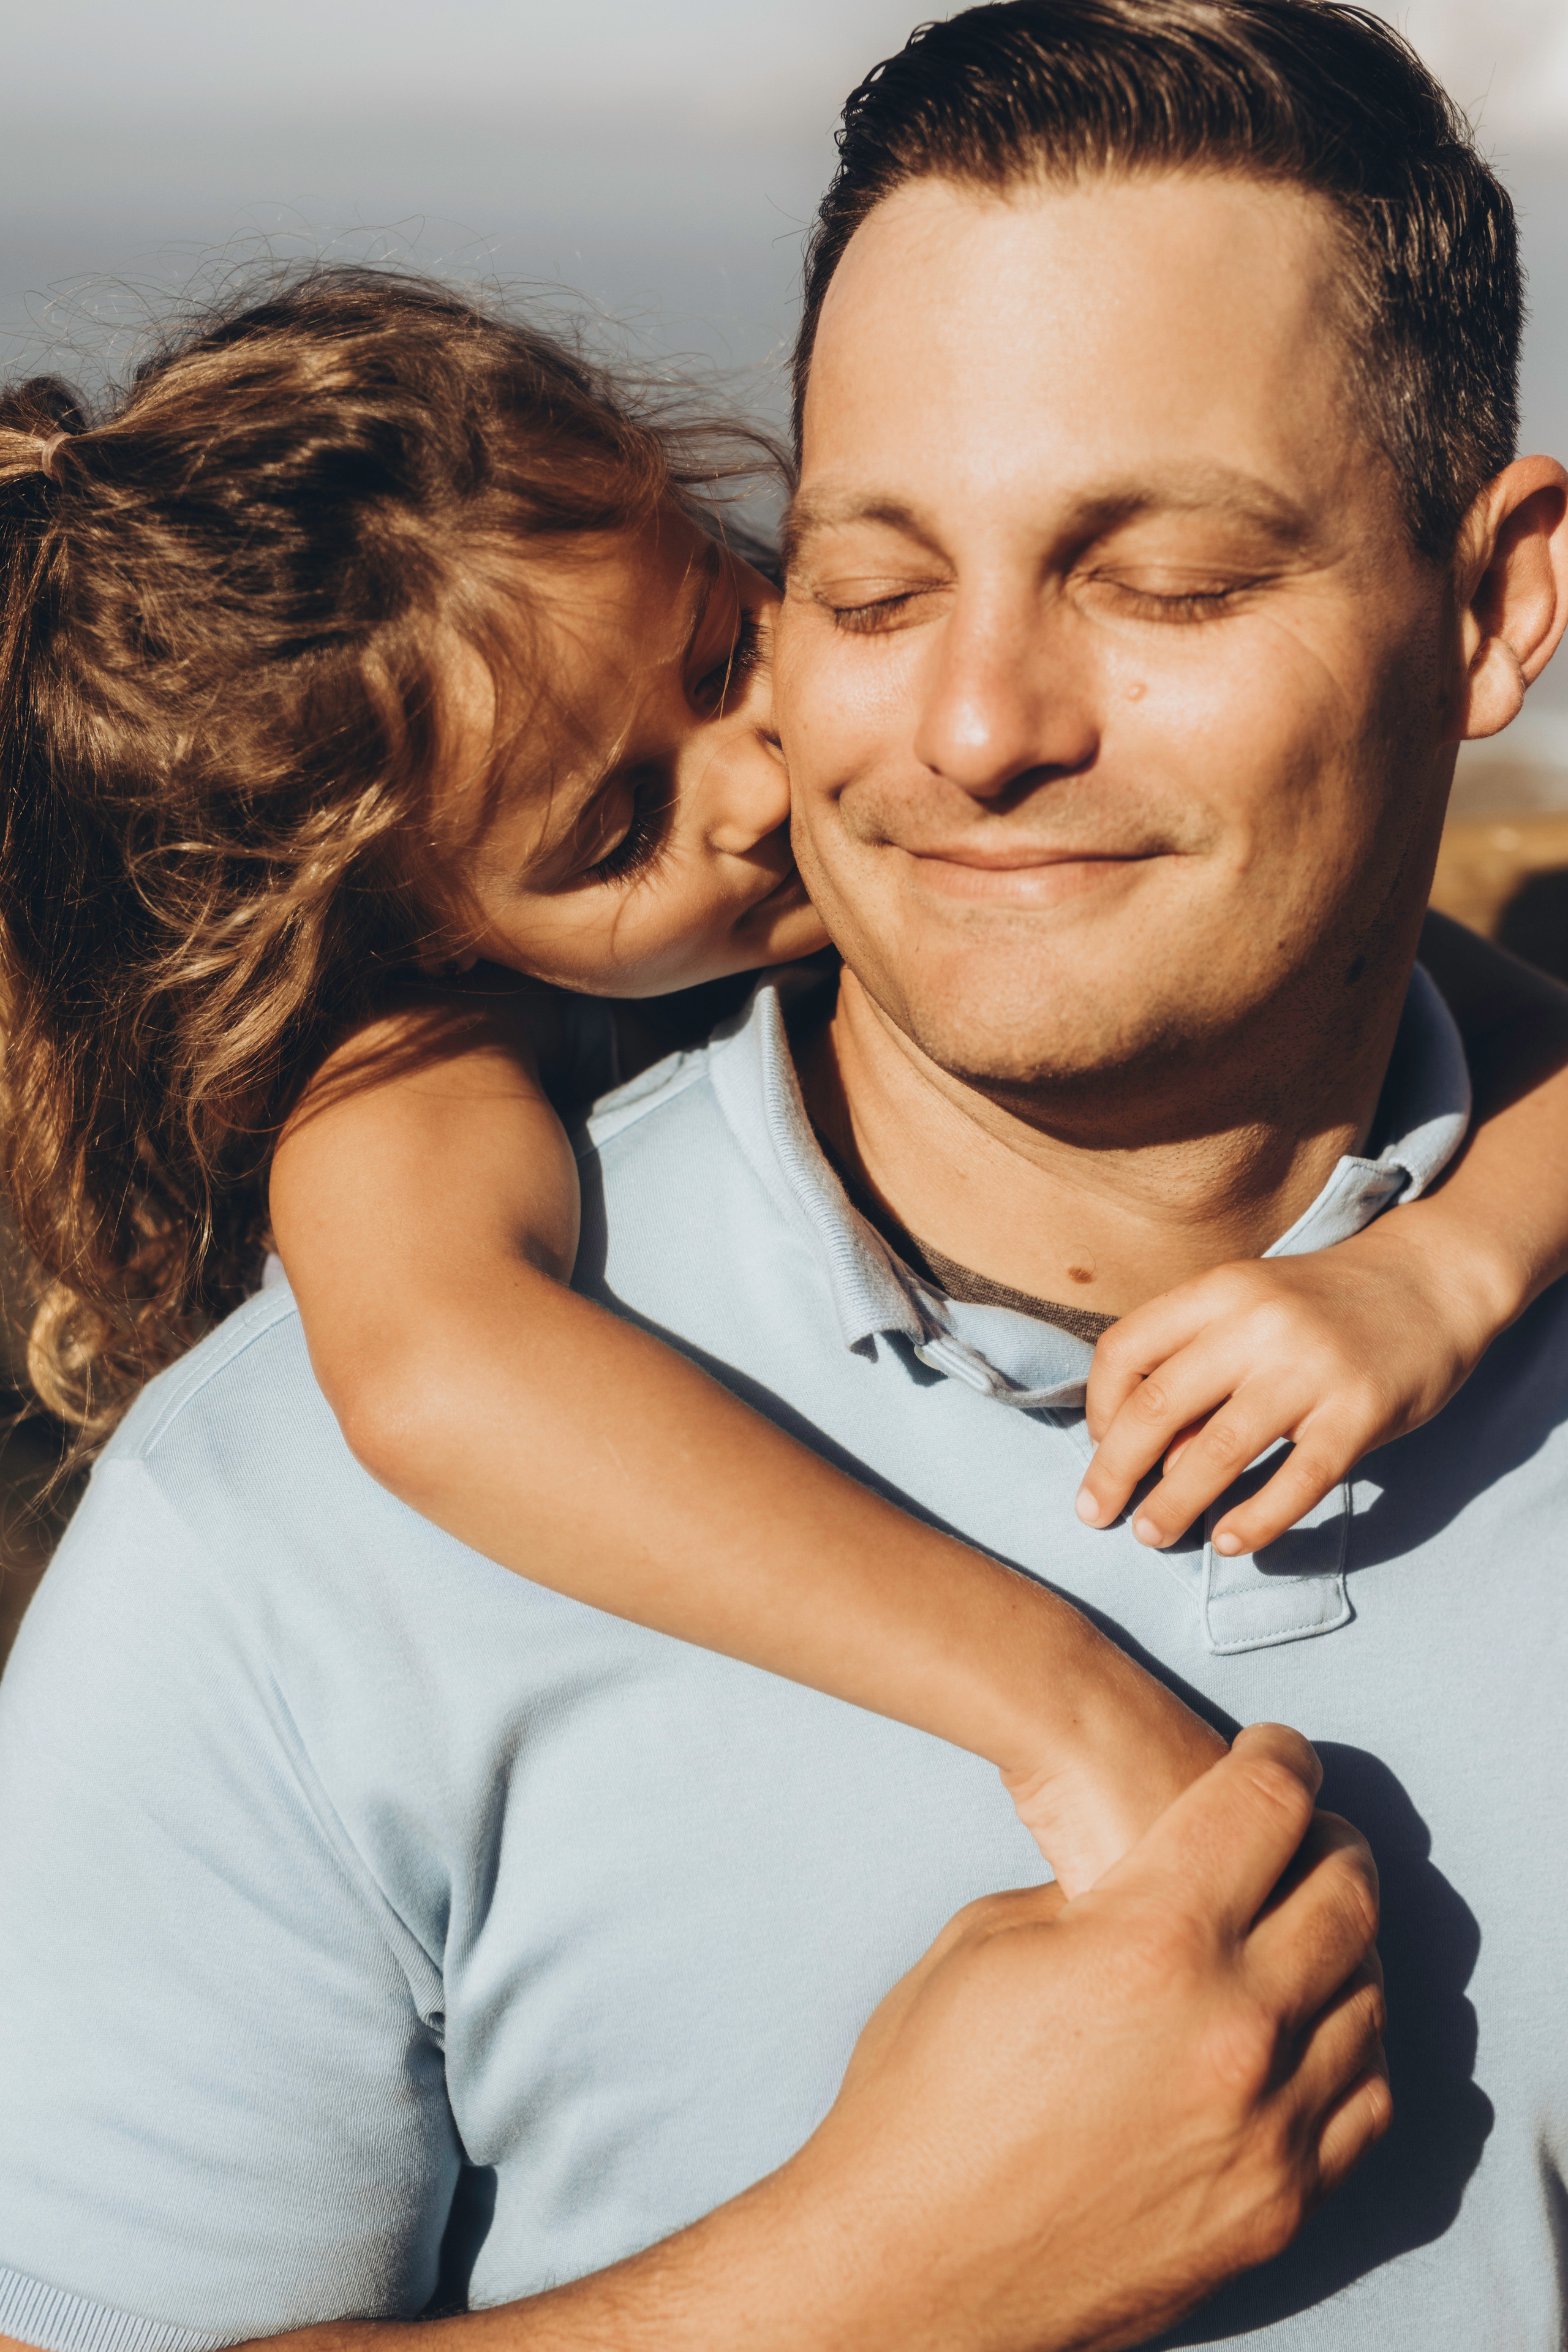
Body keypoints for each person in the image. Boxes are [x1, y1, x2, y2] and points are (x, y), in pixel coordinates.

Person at [0, 0, 1564, 2340]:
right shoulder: (301, 1468)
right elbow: (429, 1371)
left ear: (1498, 606)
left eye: (1164, 582)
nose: (956, 731)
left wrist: (1446, 1272)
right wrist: (878, 2282)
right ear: (427, 922)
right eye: (879, 584)